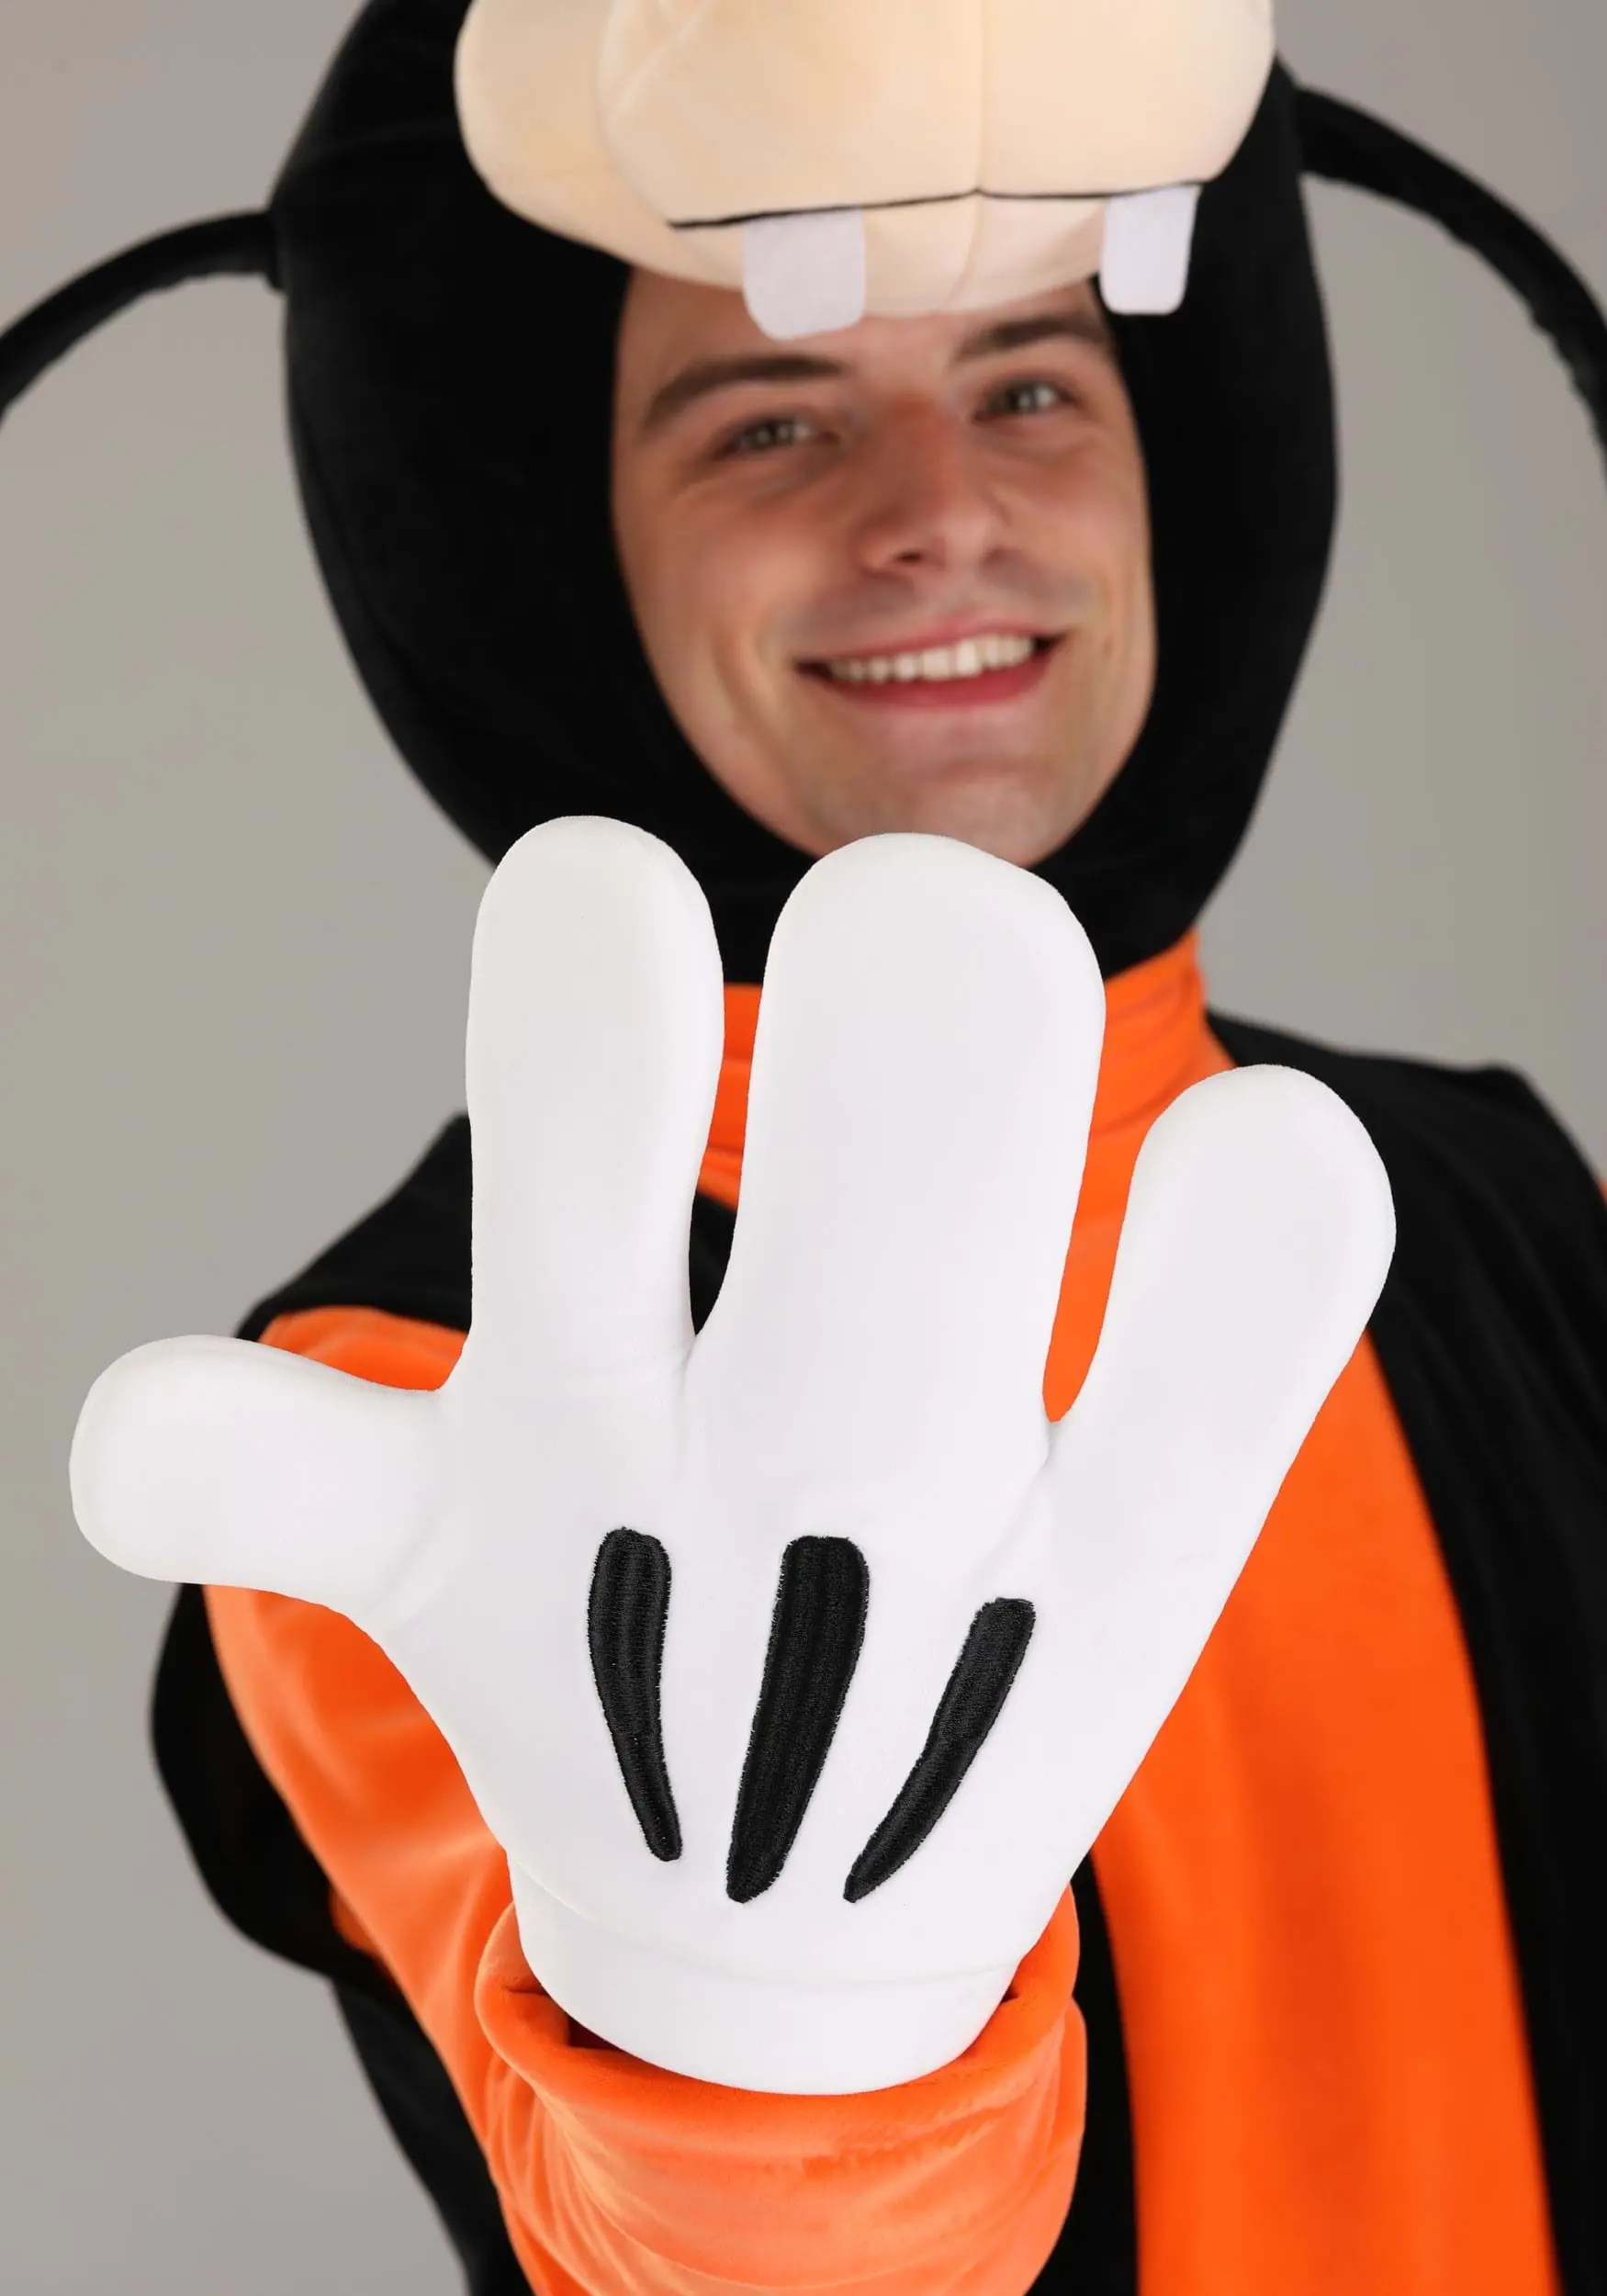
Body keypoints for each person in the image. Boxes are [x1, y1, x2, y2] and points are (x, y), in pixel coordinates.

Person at [6, 4, 1607, 2291]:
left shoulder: (1499, 1206)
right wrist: (780, 2084)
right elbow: (647, 2241)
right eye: (770, 416)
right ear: (554, 548)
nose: (939, 508)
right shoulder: (409, 1400)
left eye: (1031, 383)